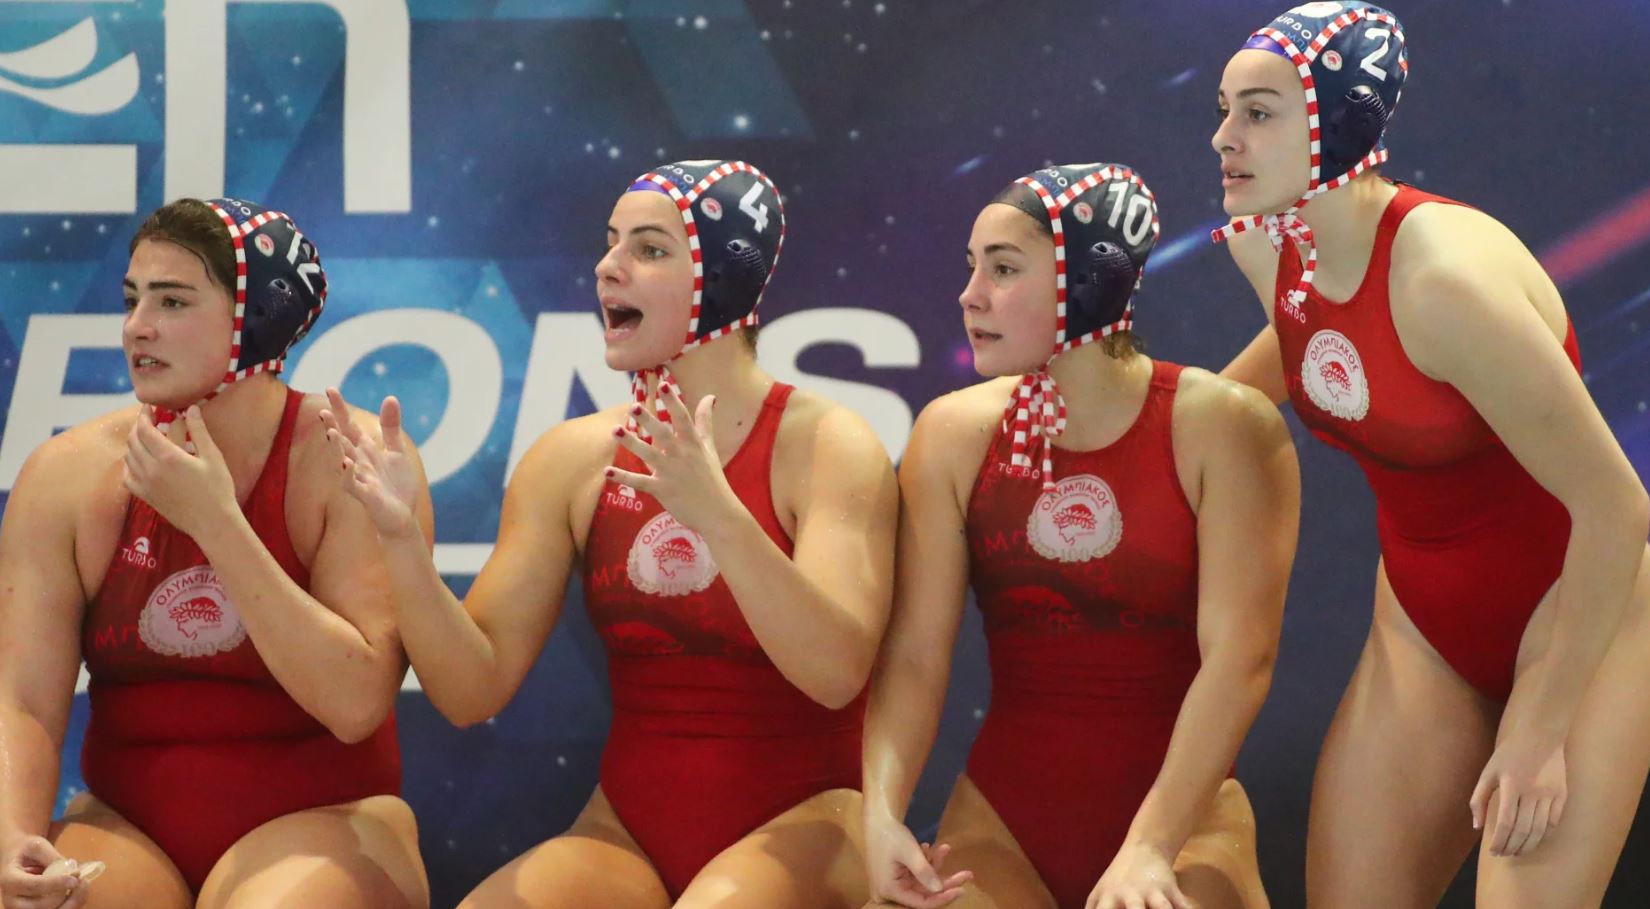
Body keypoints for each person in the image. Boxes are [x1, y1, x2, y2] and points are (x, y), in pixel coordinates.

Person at [323, 160, 898, 908]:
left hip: (811, 820)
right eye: (611, 242)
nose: (607, 267)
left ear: (724, 278)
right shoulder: (573, 459)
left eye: (649, 249)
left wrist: (718, 514)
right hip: (628, 830)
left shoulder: (826, 444)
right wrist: (402, 545)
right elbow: (470, 690)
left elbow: (836, 672)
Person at [1211, 4, 1650, 905]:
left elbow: (1616, 507)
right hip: (1423, 626)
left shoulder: (1444, 281)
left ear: (1338, 124)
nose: (1224, 138)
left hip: (1586, 614)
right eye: (1223, 110)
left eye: (1257, 113)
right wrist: (1163, 434)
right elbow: (1305, 349)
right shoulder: (1270, 245)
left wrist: (1540, 724)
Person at [861, 164, 1297, 909]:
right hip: (1002, 822)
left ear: (1088, 280)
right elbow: (914, 656)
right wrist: (878, 813)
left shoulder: (1221, 425)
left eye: (1003, 269)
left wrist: (1150, 847)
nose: (970, 295)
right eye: (973, 267)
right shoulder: (955, 433)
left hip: (1185, 824)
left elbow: (1240, 659)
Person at [0, 198, 431, 909]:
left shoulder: (347, 459)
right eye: (133, 299)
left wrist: (217, 523)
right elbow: (23, 702)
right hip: (127, 827)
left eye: (172, 301)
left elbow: (355, 702)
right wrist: (12, 835)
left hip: (330, 819)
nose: (137, 326)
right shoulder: (68, 475)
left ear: (254, 320)